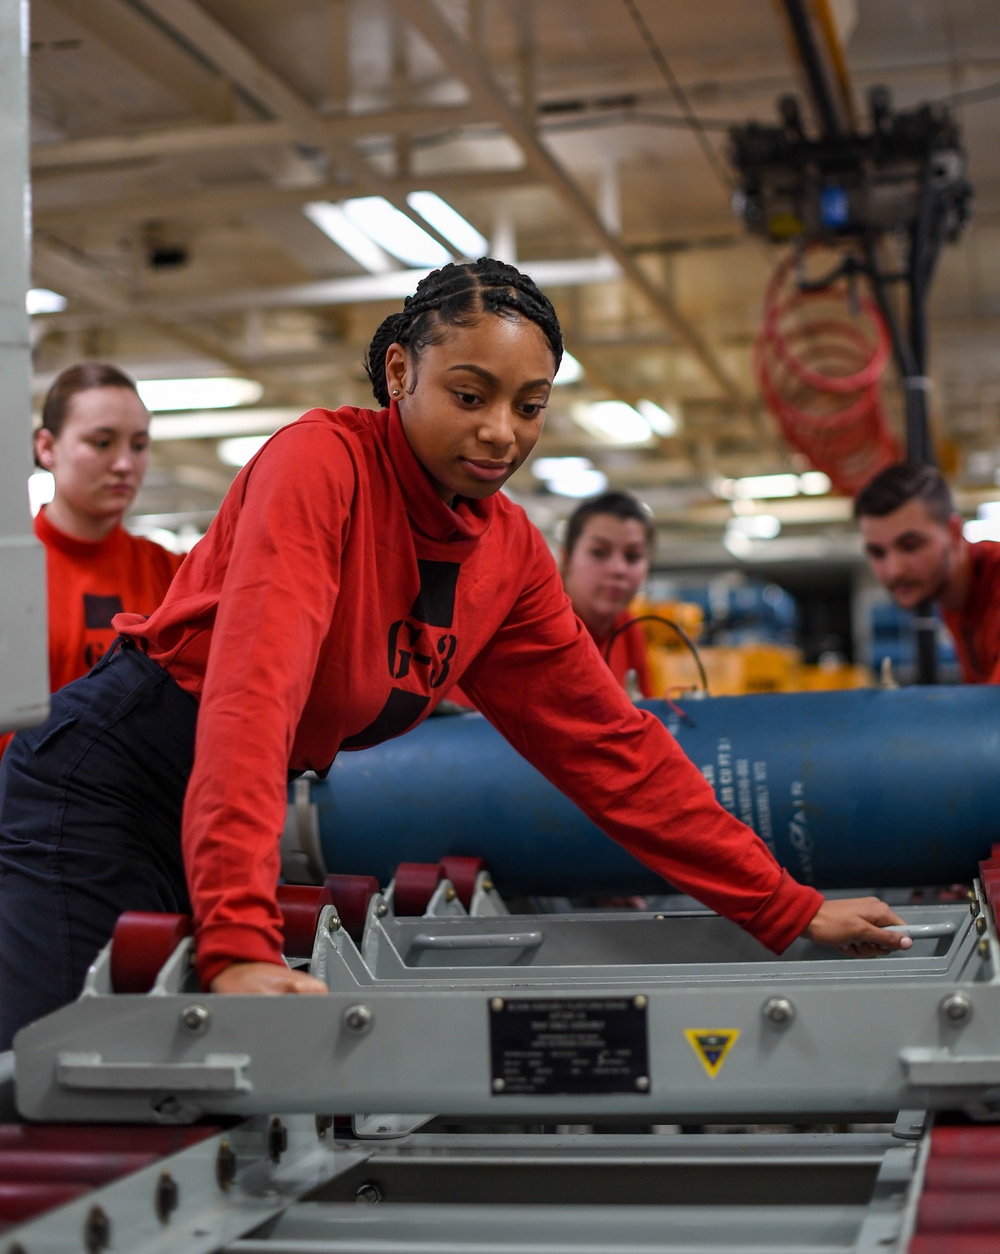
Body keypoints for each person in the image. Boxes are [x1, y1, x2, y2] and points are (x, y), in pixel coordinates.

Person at [0, 260, 909, 1044]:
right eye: (469, 396)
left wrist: (783, 904)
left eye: (529, 405)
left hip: (218, 791)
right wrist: (237, 941)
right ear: (400, 371)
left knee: (174, 1067)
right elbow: (253, 695)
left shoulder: (505, 552)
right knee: (66, 1065)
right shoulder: (319, 466)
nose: (500, 432)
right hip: (104, 778)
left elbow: (613, 749)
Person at [0, 363, 182, 759]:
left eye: (138, 445)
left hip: (147, 812)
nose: (124, 464)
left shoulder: (175, 576)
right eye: (102, 443)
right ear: (46, 447)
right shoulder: (9, 575)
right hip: (22, 811)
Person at [855, 461, 1000, 684]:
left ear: (953, 532)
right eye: (877, 553)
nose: (894, 571)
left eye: (911, 546)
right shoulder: (954, 594)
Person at [560, 490, 654, 695]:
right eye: (599, 552)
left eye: (633, 556)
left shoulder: (628, 630)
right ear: (566, 559)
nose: (618, 569)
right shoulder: (532, 627)